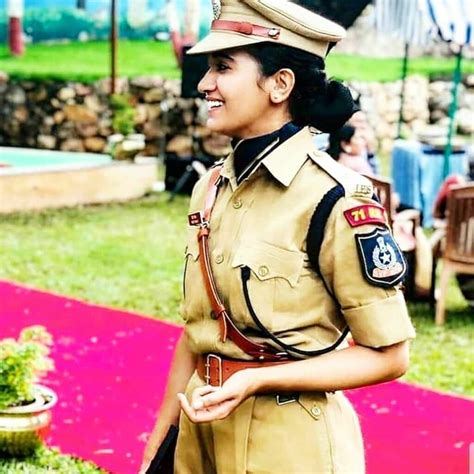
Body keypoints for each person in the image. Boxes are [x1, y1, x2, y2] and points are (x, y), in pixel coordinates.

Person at [140, 1, 415, 472]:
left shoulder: (336, 198)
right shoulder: (211, 187)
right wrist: (158, 448)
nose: (205, 84)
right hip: (198, 438)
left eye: (223, 67)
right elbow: (197, 335)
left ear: (279, 84)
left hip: (288, 446)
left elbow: (389, 355)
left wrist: (256, 380)